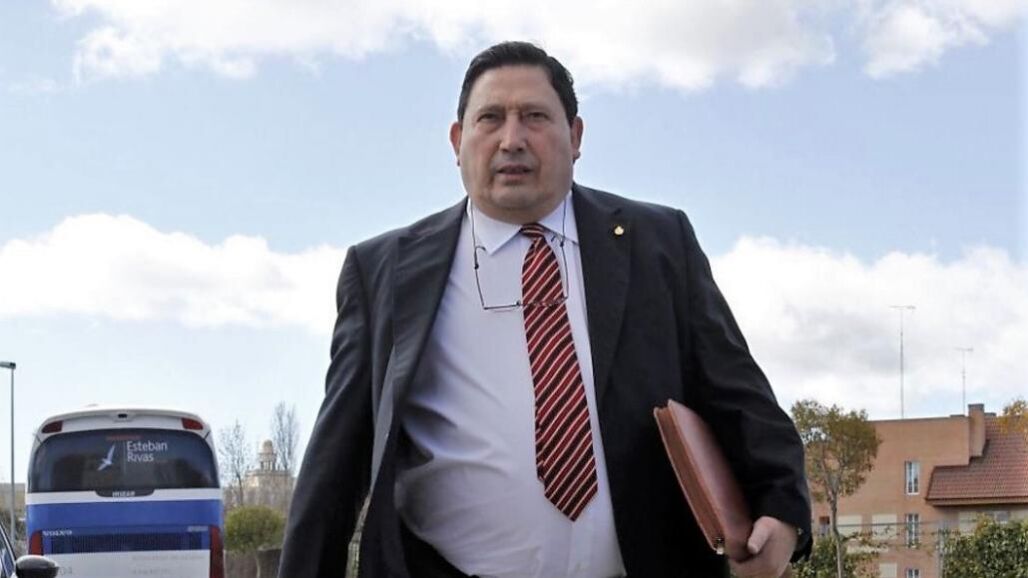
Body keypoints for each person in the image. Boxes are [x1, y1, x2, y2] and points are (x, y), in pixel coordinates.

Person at [280, 41, 811, 578]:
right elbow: (336, 464)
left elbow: (738, 395)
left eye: (534, 117)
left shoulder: (659, 243)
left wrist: (784, 510)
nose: (512, 139)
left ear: (575, 137)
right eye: (491, 118)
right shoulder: (385, 272)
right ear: (458, 140)